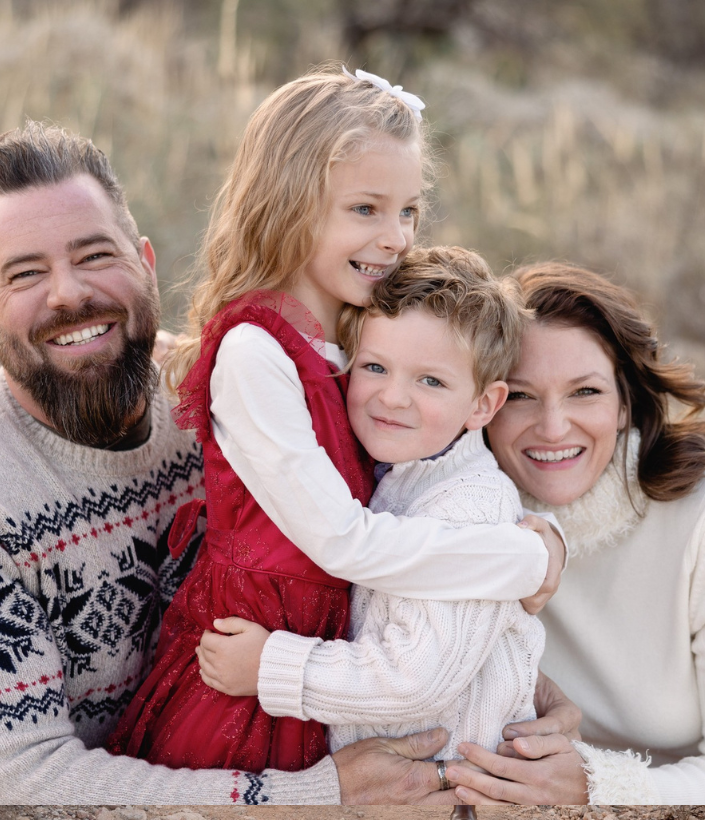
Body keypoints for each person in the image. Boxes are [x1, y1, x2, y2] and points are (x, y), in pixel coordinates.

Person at [0, 119, 504, 806]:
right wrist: (316, 797)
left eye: (94, 255)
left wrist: (533, 681)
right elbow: (25, 779)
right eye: (24, 273)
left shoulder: (233, 391)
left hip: (304, 710)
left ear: (145, 261)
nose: (66, 293)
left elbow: (424, 489)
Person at [108, 64, 565, 775]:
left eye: (408, 211)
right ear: (288, 205)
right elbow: (343, 542)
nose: (396, 238)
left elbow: (446, 466)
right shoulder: (257, 352)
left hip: (331, 657)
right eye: (366, 209)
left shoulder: (365, 340)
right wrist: (521, 560)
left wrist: (550, 533)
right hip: (254, 656)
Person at [196, 245, 545, 765]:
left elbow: (414, 681)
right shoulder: (391, 468)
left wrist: (272, 666)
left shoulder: (472, 504)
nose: (393, 397)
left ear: (483, 404)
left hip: (447, 783)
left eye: (431, 381)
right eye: (375, 367)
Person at [443, 262, 705, 805]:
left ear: (624, 404)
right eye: (520, 395)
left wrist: (594, 787)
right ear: (481, 406)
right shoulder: (453, 524)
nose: (553, 427)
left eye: (585, 391)